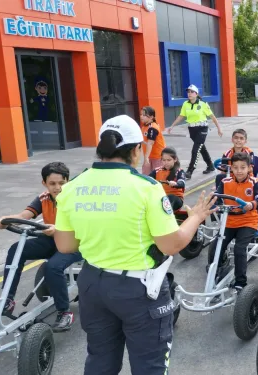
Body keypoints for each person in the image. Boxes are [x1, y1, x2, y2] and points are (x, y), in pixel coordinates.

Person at [53, 115, 218, 375]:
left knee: (100, 361)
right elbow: (171, 244)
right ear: (135, 150)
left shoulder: (72, 187)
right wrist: (196, 217)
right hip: (137, 290)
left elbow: (65, 245)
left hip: (92, 285)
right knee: (149, 366)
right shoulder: (147, 188)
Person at [0, 162, 82, 332]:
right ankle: (8, 300)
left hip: (75, 243)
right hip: (52, 241)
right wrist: (4, 220)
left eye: (61, 183)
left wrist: (57, 229)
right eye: (52, 184)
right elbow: (22, 216)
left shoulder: (76, 199)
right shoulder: (43, 199)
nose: (57, 188)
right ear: (45, 184)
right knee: (15, 249)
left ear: (68, 181)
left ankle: (64, 312)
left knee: (53, 267)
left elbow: (83, 225)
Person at [213, 152, 258, 290]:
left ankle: (240, 282)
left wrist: (251, 204)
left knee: (239, 248)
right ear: (231, 168)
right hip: (229, 221)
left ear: (249, 168)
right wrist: (214, 205)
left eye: (242, 167)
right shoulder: (224, 182)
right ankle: (215, 273)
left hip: (248, 221)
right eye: (235, 167)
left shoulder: (254, 183)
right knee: (216, 245)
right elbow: (216, 199)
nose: (239, 171)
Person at [167, 84, 223, 180]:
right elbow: (181, 116)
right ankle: (210, 165)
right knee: (201, 148)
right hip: (192, 130)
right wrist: (172, 126)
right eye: (188, 92)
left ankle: (189, 171)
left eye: (192, 92)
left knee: (195, 150)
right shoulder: (185, 104)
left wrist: (219, 128)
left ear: (196, 94)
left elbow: (212, 117)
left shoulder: (203, 104)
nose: (189, 94)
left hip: (202, 128)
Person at [149, 147, 186, 212]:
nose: (166, 163)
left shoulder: (179, 171)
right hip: (160, 198)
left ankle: (165, 216)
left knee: (169, 198)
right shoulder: (156, 171)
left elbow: (182, 183)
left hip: (175, 200)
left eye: (169, 160)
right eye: (164, 160)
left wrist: (175, 183)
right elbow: (147, 179)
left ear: (175, 159)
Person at [140, 106, 166, 175]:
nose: (141, 116)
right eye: (141, 114)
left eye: (144, 115)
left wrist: (146, 157)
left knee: (158, 177)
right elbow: (144, 141)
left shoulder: (153, 127)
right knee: (146, 176)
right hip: (149, 157)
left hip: (157, 157)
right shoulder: (144, 127)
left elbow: (150, 143)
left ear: (151, 117)